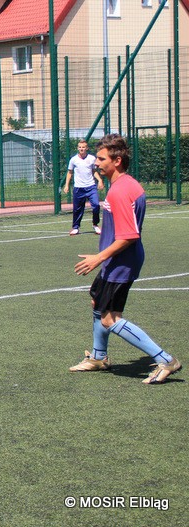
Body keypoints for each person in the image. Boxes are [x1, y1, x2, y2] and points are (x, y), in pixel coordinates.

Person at [70, 134, 181, 384]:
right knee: (97, 302)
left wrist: (98, 258)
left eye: (101, 159)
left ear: (117, 160)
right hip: (117, 260)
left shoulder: (120, 191)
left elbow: (129, 236)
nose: (96, 163)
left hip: (121, 262)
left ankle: (166, 359)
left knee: (110, 318)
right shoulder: (129, 184)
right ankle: (99, 357)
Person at [62, 139, 104, 236]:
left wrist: (100, 180)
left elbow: (94, 171)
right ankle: (75, 227)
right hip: (78, 188)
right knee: (77, 209)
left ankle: (95, 224)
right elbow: (69, 172)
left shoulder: (92, 158)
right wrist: (66, 185)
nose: (81, 149)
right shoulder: (73, 160)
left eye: (83, 147)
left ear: (87, 148)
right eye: (80, 147)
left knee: (96, 205)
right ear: (78, 148)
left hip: (91, 187)